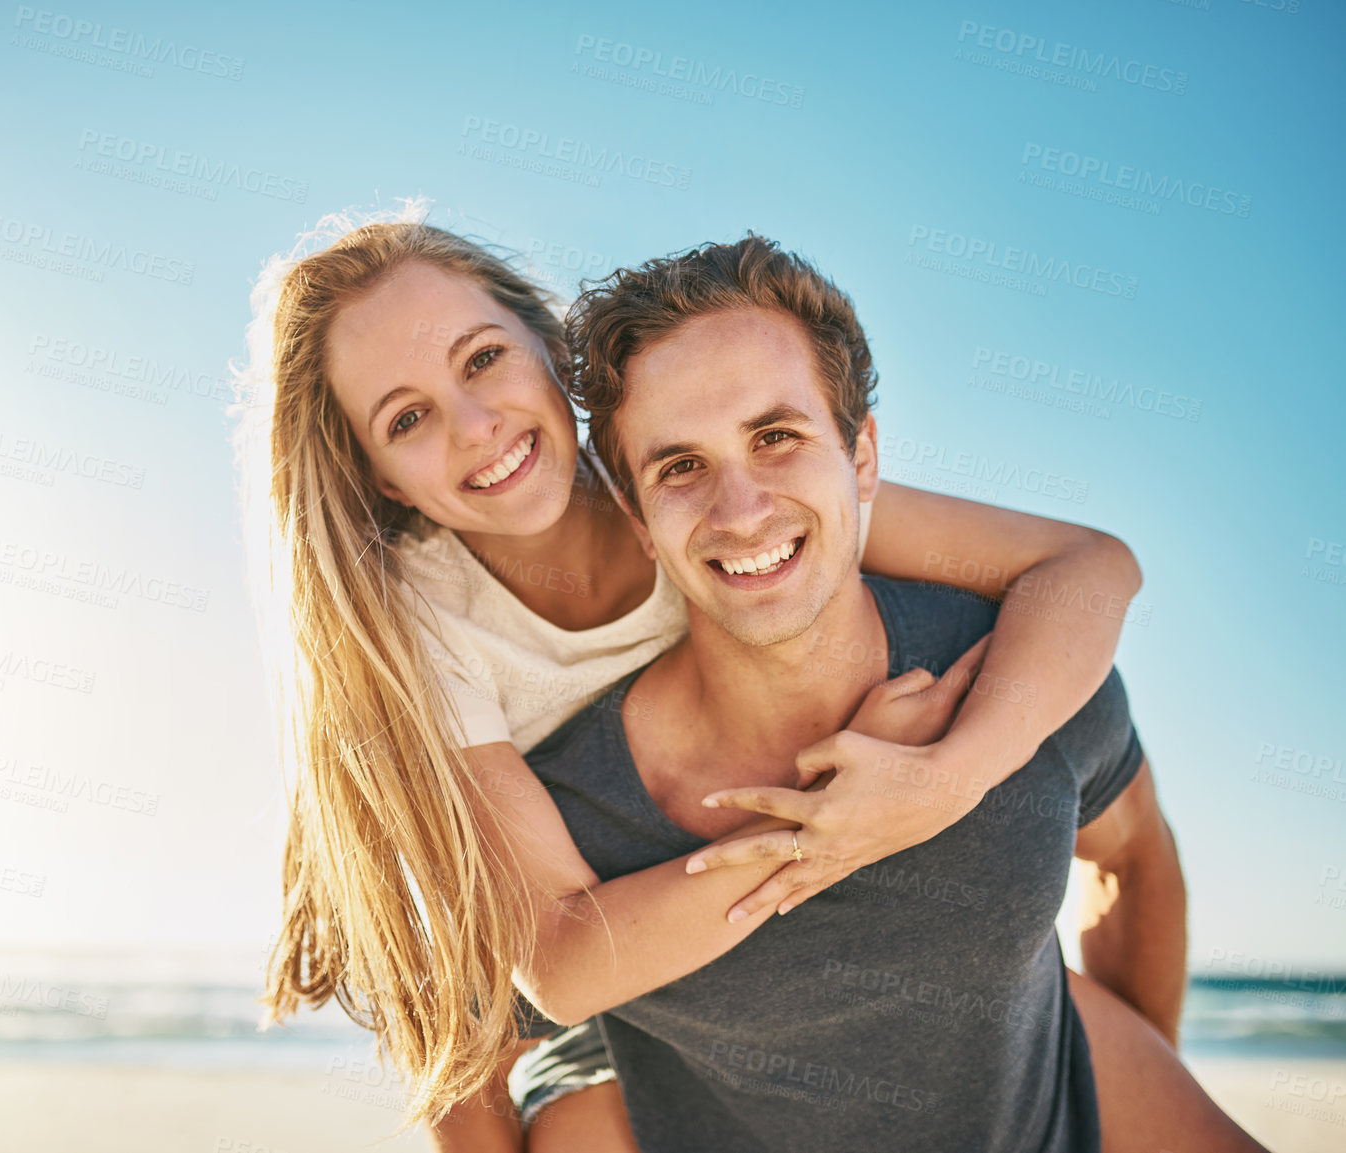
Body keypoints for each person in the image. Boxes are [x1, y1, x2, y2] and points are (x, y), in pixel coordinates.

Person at [235, 209, 1153, 1147]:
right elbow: (549, 965)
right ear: (383, 479)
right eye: (408, 417)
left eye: (481, 360)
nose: (476, 428)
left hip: (753, 935)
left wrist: (948, 772)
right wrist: (839, 813)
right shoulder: (422, 629)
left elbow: (1086, 567)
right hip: (576, 950)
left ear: (550, 350)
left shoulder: (708, 484)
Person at [488, 232, 1261, 1151]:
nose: (741, 512)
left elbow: (1133, 858)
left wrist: (1127, 1080)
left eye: (775, 437)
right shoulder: (566, 807)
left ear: (860, 459)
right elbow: (466, 1057)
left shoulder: (1004, 669)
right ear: (637, 517)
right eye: (680, 466)